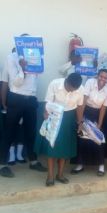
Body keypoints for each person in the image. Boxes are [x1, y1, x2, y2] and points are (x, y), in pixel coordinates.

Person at [0, 42, 46, 178]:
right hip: (16, 98)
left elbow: (35, 80)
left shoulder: (35, 56)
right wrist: (23, 68)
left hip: (31, 99)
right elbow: (14, 82)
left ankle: (33, 161)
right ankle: (2, 165)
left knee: (31, 132)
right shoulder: (12, 58)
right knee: (9, 132)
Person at [34, 73, 84, 186]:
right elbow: (48, 102)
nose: (71, 91)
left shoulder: (80, 89)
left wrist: (80, 122)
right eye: (69, 88)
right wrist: (46, 112)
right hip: (54, 116)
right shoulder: (55, 83)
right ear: (66, 81)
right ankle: (50, 175)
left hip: (69, 118)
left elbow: (80, 106)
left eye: (74, 89)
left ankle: (60, 174)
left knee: (65, 149)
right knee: (51, 147)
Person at [70, 69, 107, 176]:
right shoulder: (89, 83)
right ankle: (80, 165)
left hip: (99, 114)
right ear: (97, 76)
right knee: (82, 138)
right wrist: (80, 120)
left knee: (99, 139)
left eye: (105, 77)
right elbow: (83, 102)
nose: (103, 79)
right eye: (101, 76)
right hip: (86, 111)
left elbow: (103, 108)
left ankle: (101, 166)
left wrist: (99, 124)